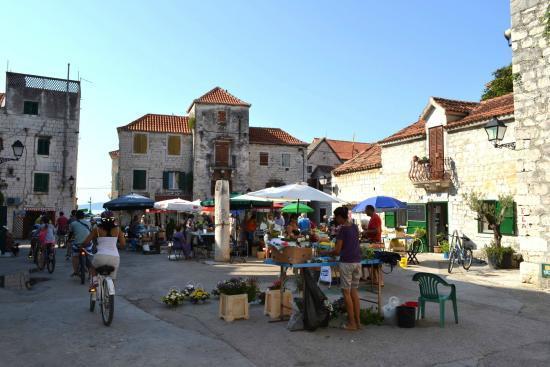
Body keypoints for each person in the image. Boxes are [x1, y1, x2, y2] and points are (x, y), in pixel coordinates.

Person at [327, 206, 361, 331]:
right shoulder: (355, 226)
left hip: (347, 263)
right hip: (357, 261)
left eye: (336, 217)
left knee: (346, 293)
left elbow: (337, 250)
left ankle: (352, 323)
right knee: (354, 292)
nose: (336, 219)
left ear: (341, 217)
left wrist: (326, 253)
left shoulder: (342, 230)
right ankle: (358, 322)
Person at [81, 211, 125, 291]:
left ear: (101, 219)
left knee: (92, 267)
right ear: (113, 219)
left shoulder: (96, 230)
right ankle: (111, 295)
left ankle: (95, 282)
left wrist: (82, 245)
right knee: (112, 278)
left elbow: (86, 242)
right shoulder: (118, 230)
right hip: (114, 258)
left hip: (100, 257)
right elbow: (123, 245)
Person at [69, 210, 92, 277]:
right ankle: (91, 273)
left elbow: (71, 233)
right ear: (83, 216)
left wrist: (68, 240)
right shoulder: (88, 223)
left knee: (75, 257)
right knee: (89, 257)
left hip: (77, 244)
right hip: (87, 243)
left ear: (76, 216)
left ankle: (75, 271)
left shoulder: (73, 224)